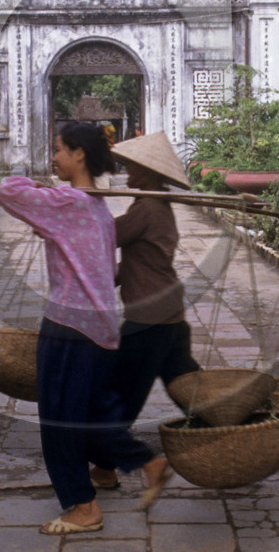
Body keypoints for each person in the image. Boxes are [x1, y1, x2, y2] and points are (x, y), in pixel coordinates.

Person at [0, 122, 171, 536]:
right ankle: (145, 463)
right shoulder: (99, 210)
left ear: (79, 155)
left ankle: (83, 506)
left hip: (69, 325)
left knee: (60, 419)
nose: (54, 157)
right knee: (91, 414)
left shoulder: (67, 202)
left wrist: (36, 185)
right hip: (102, 327)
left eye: (58, 149)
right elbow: (106, 271)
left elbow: (6, 190)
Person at [90, 132, 201, 490]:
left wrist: (68, 216)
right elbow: (139, 263)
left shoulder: (148, 208)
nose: (128, 172)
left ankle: (112, 465)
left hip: (150, 321)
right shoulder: (154, 206)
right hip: (170, 316)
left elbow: (105, 235)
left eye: (133, 167)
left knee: (120, 394)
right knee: (189, 391)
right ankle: (225, 435)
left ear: (148, 172)